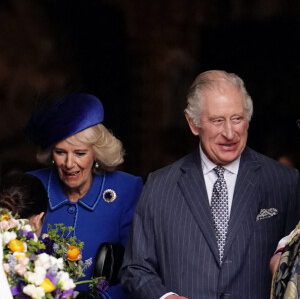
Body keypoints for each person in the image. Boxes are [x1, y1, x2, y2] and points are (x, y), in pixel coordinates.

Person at [120, 70, 300, 299]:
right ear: (193, 123)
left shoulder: (285, 182)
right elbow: (135, 269)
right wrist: (164, 297)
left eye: (237, 119)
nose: (229, 132)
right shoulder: (160, 185)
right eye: (217, 120)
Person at [24, 93, 143, 298]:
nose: (69, 164)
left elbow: (139, 269)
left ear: (96, 153)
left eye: (80, 153)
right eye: (61, 152)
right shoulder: (31, 185)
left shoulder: (126, 190)